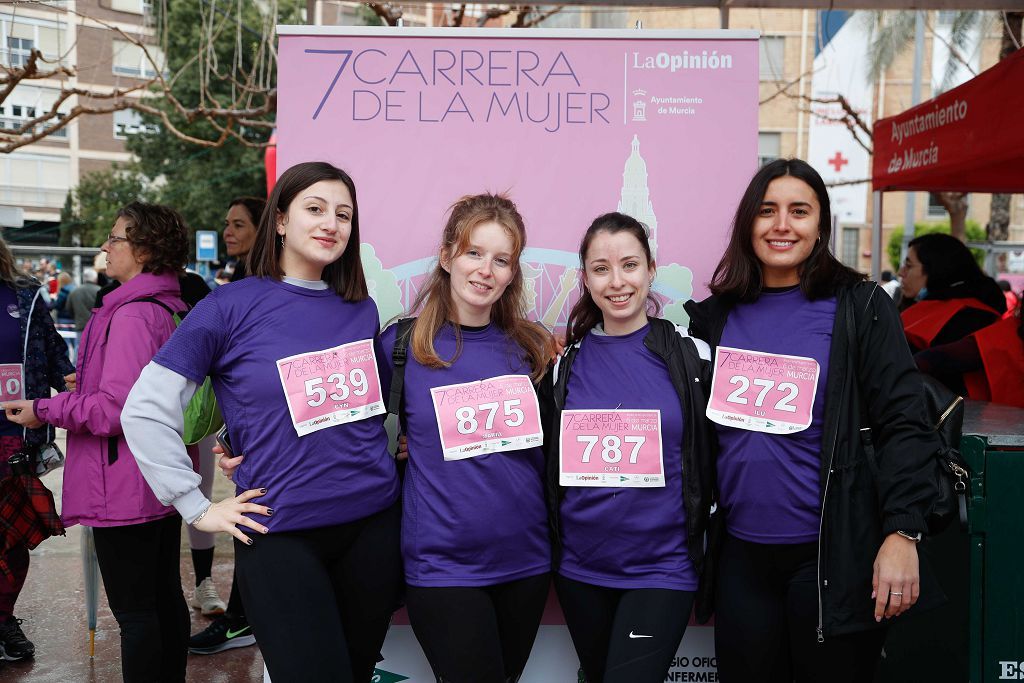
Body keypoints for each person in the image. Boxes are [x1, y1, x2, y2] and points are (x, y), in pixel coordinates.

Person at [121, 162, 402, 681]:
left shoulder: (360, 308)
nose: (331, 224)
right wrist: (195, 505)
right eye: (314, 209)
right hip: (281, 535)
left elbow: (358, 409)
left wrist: (242, 432)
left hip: (373, 528)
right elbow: (143, 410)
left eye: (343, 214)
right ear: (279, 220)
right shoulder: (229, 306)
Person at [684, 159, 943, 682]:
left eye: (798, 211)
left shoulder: (861, 306)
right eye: (767, 211)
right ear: (747, 225)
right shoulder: (715, 317)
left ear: (820, 224)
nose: (782, 225)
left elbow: (905, 423)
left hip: (831, 559)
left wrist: (903, 532)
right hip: (741, 559)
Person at [3, 203, 194, 682]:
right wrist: (84, 389)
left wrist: (42, 408)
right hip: (159, 475)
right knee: (163, 597)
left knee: (136, 612)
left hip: (123, 480)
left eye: (115, 238)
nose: (105, 248)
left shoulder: (131, 315)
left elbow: (115, 410)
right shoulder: (169, 306)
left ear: (144, 249)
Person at [380, 194, 551, 683]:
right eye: (474, 252)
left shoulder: (531, 347)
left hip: (527, 561)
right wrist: (239, 447)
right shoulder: (401, 346)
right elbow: (346, 430)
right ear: (447, 255)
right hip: (443, 565)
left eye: (502, 260)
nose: (485, 270)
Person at [539, 213, 713, 683]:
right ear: (586, 279)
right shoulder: (563, 365)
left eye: (630, 265)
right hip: (580, 570)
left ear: (651, 269)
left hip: (663, 569)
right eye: (601, 268)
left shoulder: (692, 357)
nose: (617, 282)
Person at [188, 195, 266, 656]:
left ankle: (241, 619)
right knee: (248, 516)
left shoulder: (260, 285)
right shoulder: (236, 282)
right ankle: (240, 616)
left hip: (264, 429)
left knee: (253, 518)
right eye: (226, 222)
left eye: (239, 224)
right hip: (242, 429)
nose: (228, 231)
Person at [0, 236, 75, 664]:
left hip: (14, 434)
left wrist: (82, 387)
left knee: (11, 536)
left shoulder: (24, 295)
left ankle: (4, 617)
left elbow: (55, 358)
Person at [897, 232, 1005, 355]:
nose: (901, 272)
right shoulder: (986, 314)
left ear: (936, 269)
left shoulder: (963, 318)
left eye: (909, 265)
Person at [223, 196, 263, 282]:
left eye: (238, 225)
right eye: (227, 224)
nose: (227, 233)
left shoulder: (274, 277)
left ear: (261, 230)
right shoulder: (240, 270)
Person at [66, 268, 101, 333]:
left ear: (84, 278)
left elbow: (69, 308)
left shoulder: (74, 291)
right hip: (97, 327)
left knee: (80, 343)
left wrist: (77, 317)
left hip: (80, 326)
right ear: (95, 279)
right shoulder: (101, 291)